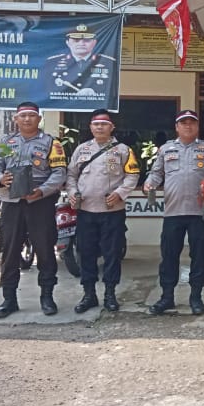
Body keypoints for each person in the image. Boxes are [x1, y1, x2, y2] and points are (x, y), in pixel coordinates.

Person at [143, 109, 204, 315]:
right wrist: (149, 184)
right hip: (173, 212)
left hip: (200, 212)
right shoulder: (165, 149)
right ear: (177, 127)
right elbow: (156, 173)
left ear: (197, 126)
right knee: (169, 256)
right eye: (183, 123)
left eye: (192, 123)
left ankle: (196, 297)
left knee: (198, 257)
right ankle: (167, 297)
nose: (187, 126)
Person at [0, 102, 68, 319]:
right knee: (10, 250)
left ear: (39, 119)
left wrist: (42, 191)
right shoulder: (6, 143)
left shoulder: (51, 143)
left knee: (45, 250)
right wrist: (0, 180)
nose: (27, 119)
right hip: (12, 203)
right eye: (23, 116)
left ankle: (47, 297)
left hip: (39, 203)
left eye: (32, 116)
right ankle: (9, 299)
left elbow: (60, 172)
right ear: (16, 119)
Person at [66, 109, 140, 314]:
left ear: (111, 127)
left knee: (112, 254)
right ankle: (89, 294)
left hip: (112, 211)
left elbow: (132, 175)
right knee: (86, 253)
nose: (99, 127)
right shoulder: (81, 150)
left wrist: (120, 193)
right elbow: (70, 175)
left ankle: (110, 293)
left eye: (104, 124)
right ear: (90, 127)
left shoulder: (123, 150)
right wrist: (72, 192)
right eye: (96, 124)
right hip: (86, 210)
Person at [45, 24, 116, 99]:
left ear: (94, 42)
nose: (81, 43)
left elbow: (112, 91)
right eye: (76, 40)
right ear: (67, 42)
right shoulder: (52, 62)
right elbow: (47, 91)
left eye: (87, 40)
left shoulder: (109, 63)